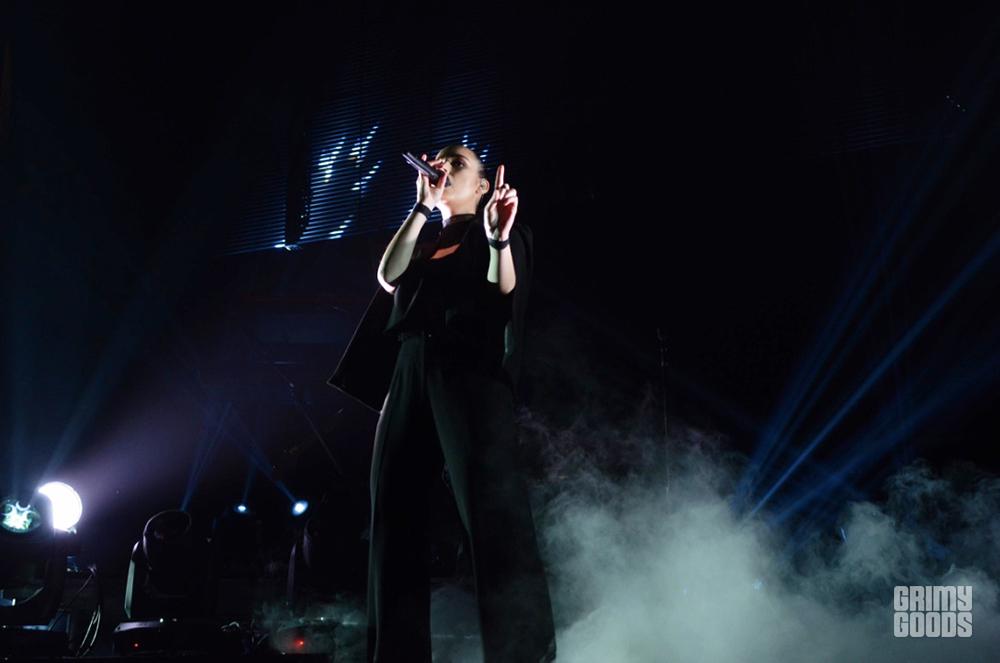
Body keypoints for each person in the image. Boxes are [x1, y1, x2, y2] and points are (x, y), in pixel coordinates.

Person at [328, 144, 556, 662]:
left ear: (482, 185)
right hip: (411, 367)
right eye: (440, 161)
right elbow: (388, 277)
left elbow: (503, 291)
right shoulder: (425, 241)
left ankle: (522, 653)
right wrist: (420, 208)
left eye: (457, 163)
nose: (443, 167)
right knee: (393, 517)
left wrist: (498, 239)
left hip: (470, 371)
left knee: (493, 517)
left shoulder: (501, 229)